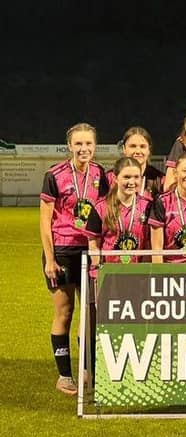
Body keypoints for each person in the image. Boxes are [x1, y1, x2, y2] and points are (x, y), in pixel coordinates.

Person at [39, 122, 109, 395]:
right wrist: (49, 259)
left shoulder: (101, 174)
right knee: (65, 312)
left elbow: (104, 211)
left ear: (95, 146)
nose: (84, 149)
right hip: (63, 251)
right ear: (69, 146)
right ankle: (64, 375)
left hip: (90, 249)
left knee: (91, 314)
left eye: (88, 144)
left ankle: (89, 371)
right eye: (78, 144)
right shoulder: (54, 175)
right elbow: (45, 220)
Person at [86, 157, 152, 265]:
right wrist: (98, 273)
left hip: (138, 273)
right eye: (126, 177)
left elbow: (149, 244)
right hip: (109, 273)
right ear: (115, 178)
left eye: (136, 177)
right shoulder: (100, 207)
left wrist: (145, 270)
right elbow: (94, 244)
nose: (131, 182)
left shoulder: (148, 206)